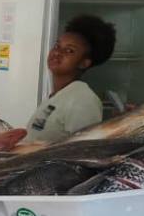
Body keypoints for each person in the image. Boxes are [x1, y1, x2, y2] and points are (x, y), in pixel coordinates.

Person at [26, 15, 116, 143]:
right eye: (57, 46)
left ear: (84, 63)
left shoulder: (82, 99)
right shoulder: (59, 95)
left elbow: (81, 152)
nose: (57, 53)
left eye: (69, 50)